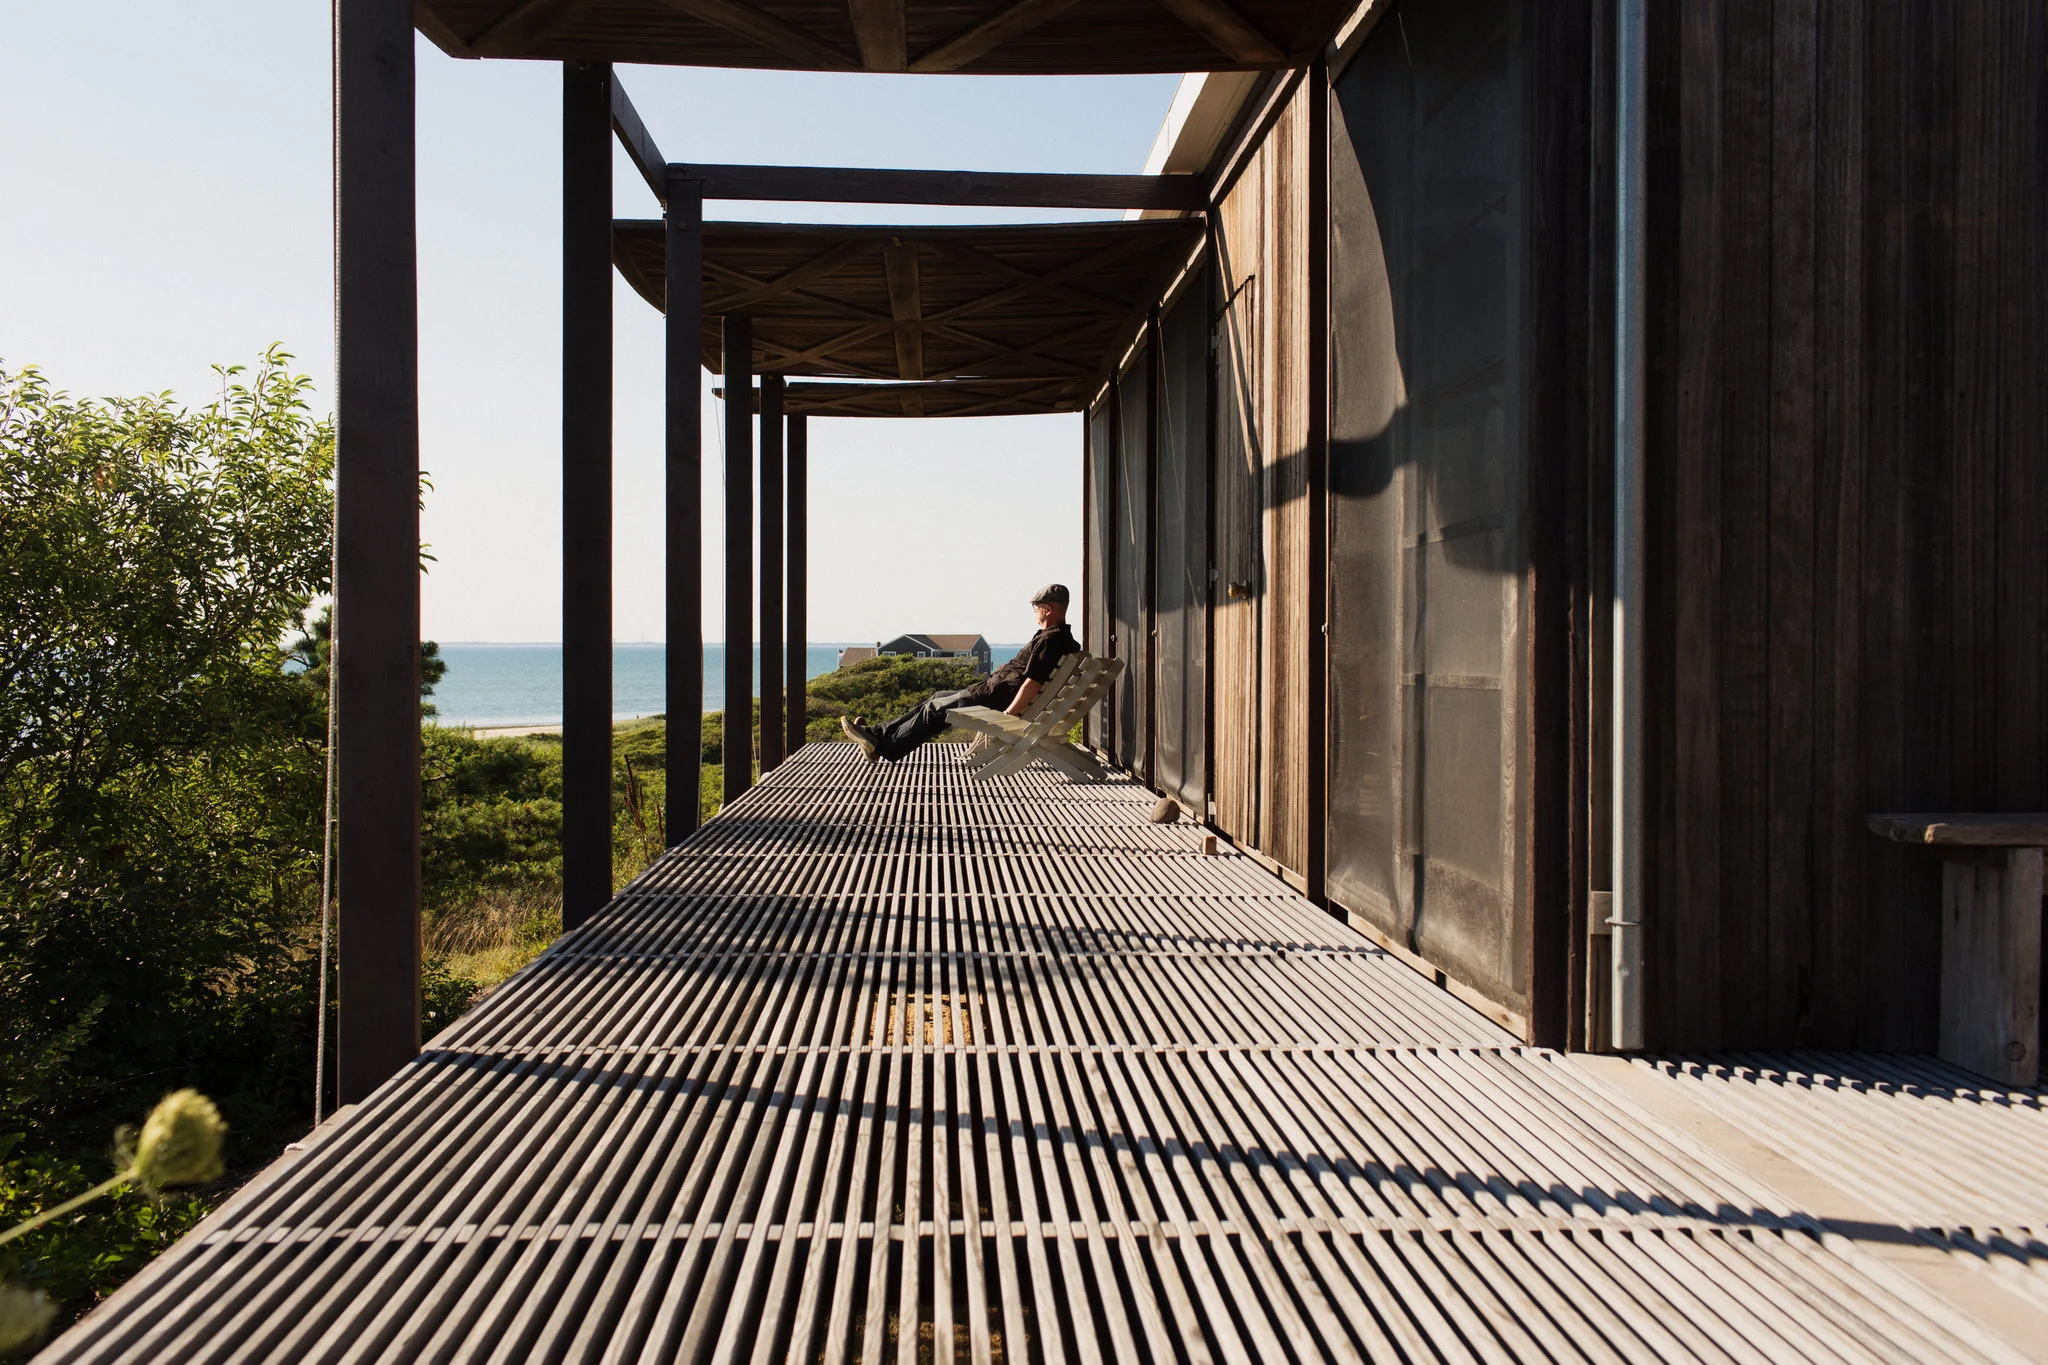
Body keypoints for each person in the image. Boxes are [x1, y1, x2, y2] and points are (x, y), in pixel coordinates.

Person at [842, 584, 1078, 764]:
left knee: (936, 710)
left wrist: (1009, 714)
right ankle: (877, 735)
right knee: (936, 698)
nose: (1035, 611)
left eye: (1037, 607)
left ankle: (885, 747)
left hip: (994, 698)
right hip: (990, 692)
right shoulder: (1059, 639)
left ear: (1048, 609)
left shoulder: (1052, 640)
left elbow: (1032, 683)